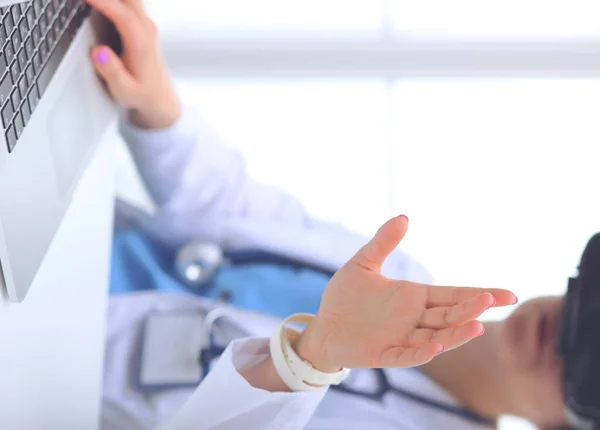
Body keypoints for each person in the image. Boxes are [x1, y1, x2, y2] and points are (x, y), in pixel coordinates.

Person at [86, 0, 572, 429]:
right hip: (65, 240)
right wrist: (156, 105)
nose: (566, 328)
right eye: (588, 300)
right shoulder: (399, 274)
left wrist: (309, 360)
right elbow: (231, 210)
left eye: (590, 358)